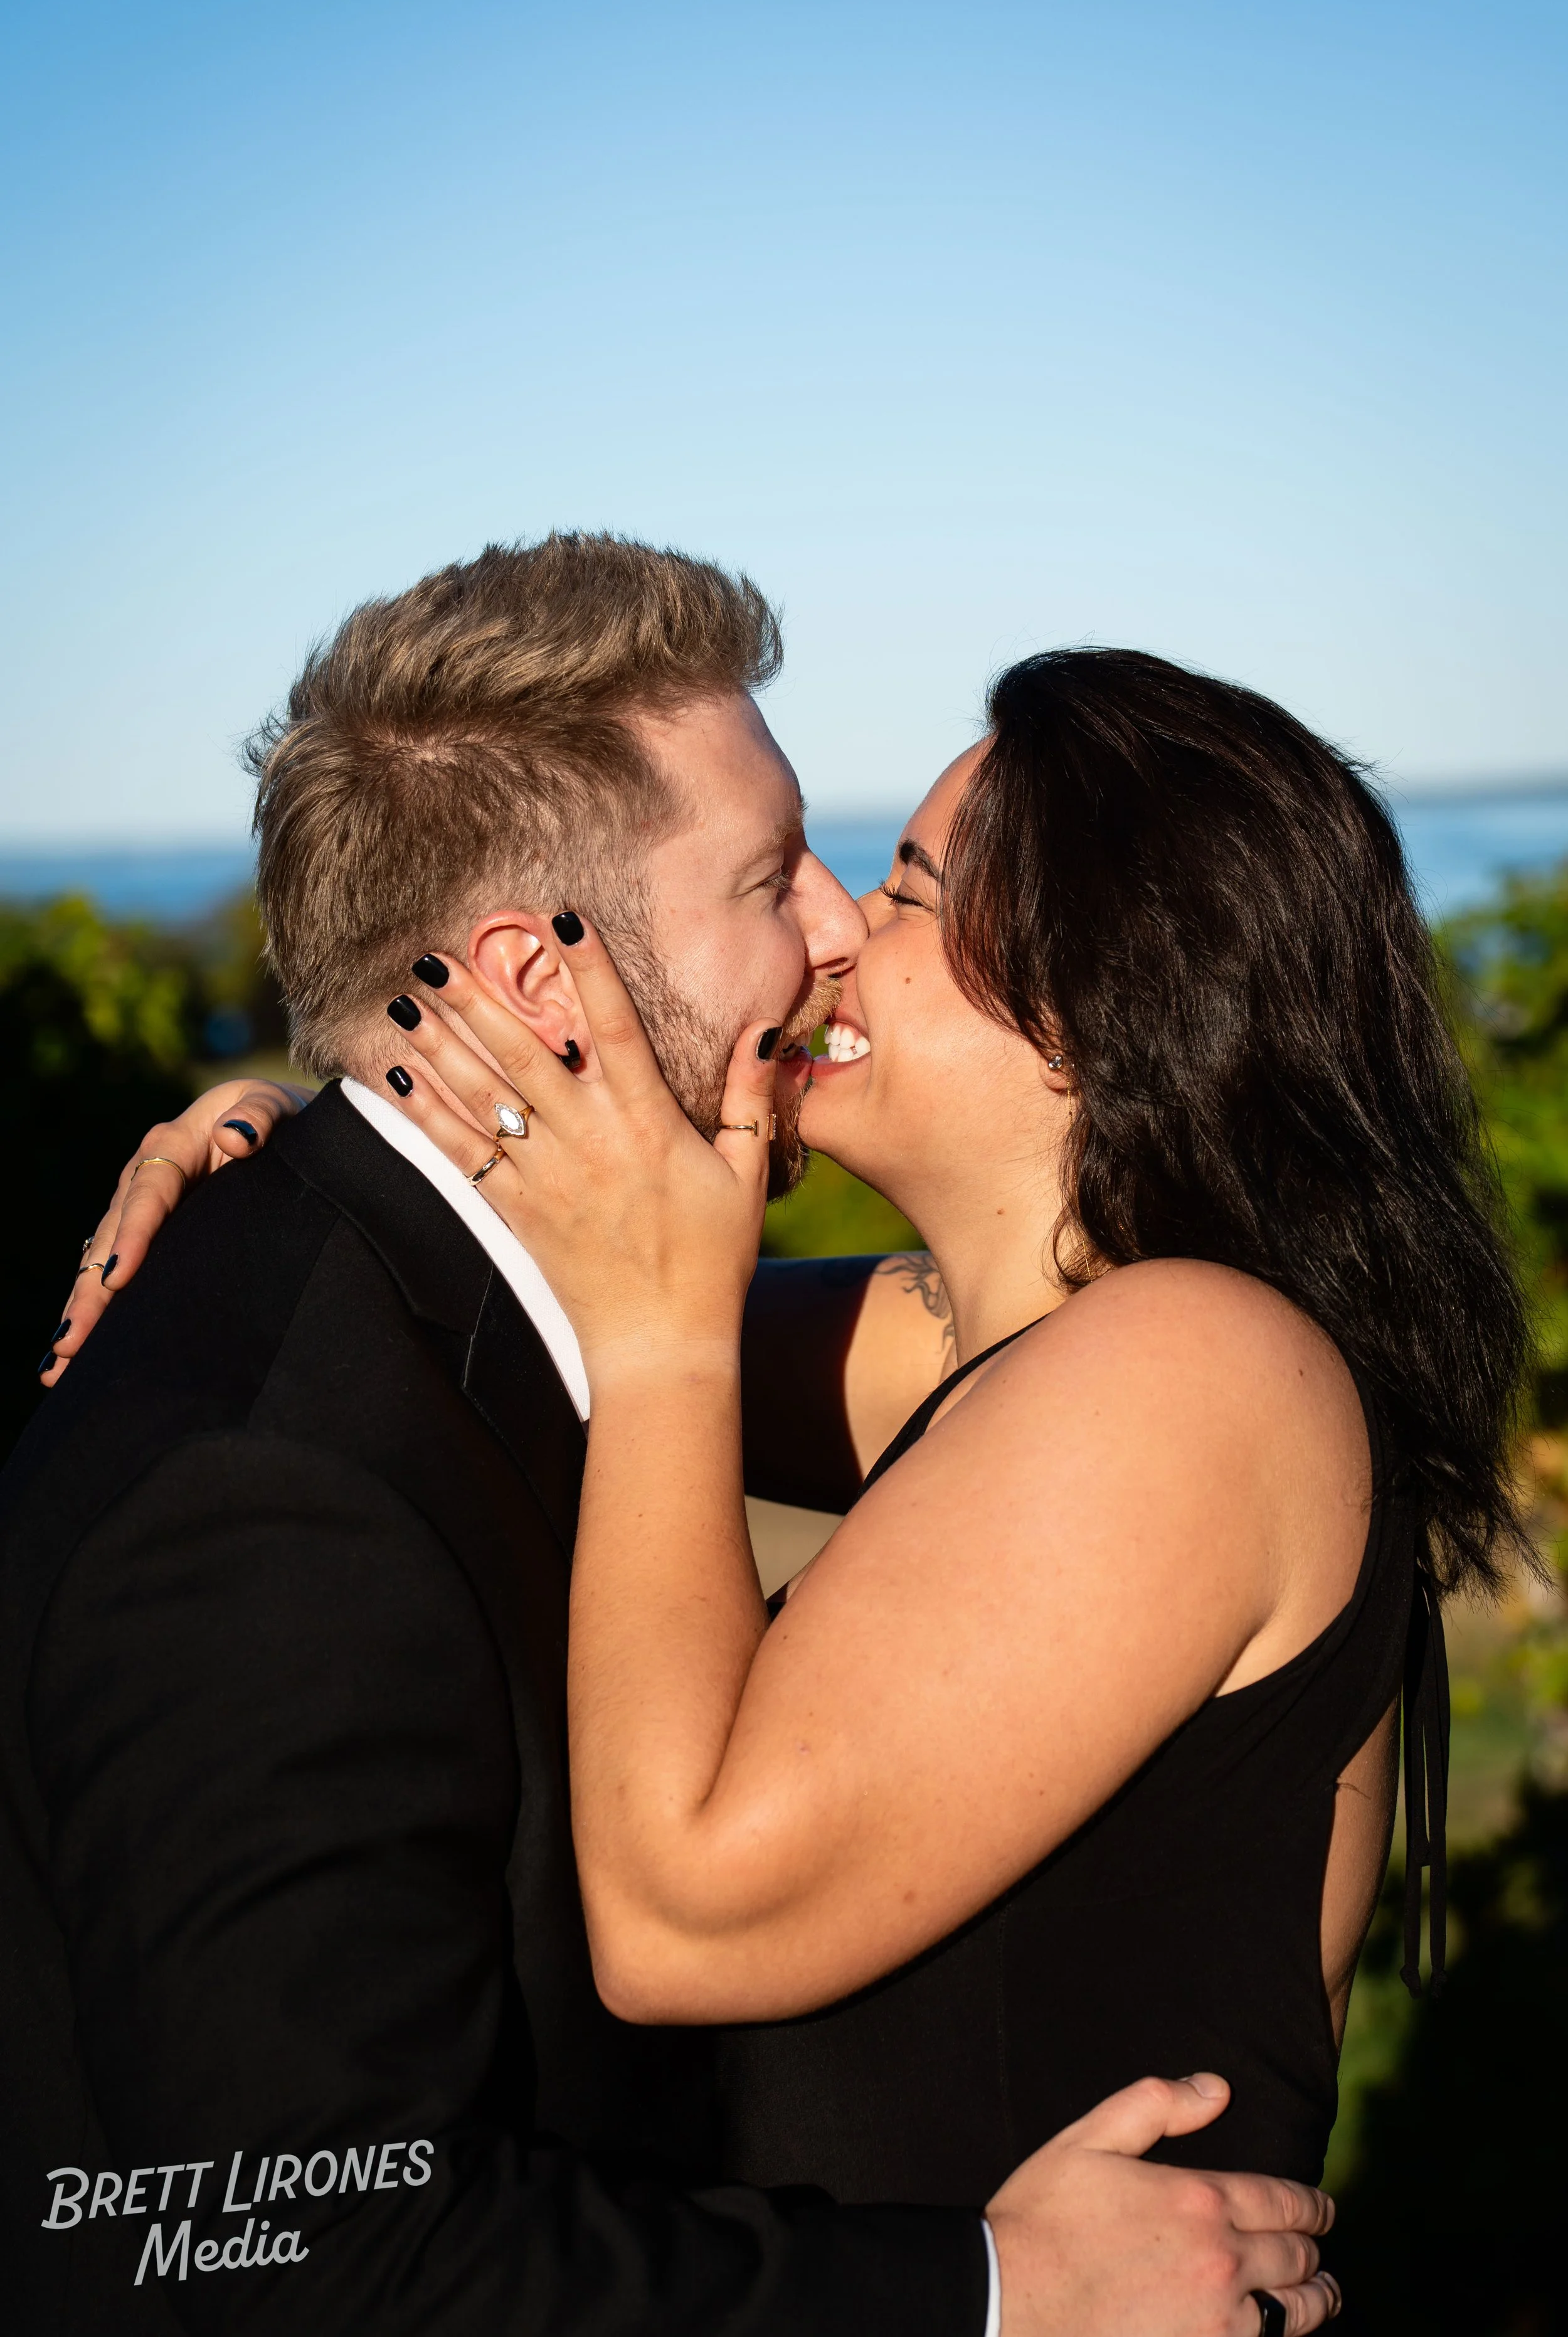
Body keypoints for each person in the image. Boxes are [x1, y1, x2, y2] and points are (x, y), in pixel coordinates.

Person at [3, 540, 1340, 2336]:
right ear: (531, 981)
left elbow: (628, 1358)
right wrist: (297, 1119)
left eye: (893, 888)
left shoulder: (1149, 1364)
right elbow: (288, 2249)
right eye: (772, 874)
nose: (835, 929)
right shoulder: (275, 1488)